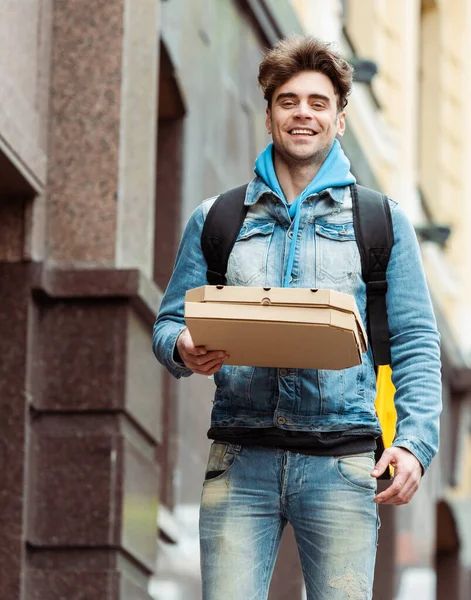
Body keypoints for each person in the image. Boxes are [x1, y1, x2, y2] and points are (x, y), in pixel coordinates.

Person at [153, 35, 442, 600]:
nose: (302, 114)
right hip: (239, 460)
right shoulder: (218, 219)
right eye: (288, 101)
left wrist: (414, 443)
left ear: (338, 119)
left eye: (318, 102)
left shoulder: (381, 221)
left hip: (342, 464)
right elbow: (167, 323)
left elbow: (415, 341)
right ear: (268, 116)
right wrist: (183, 346)